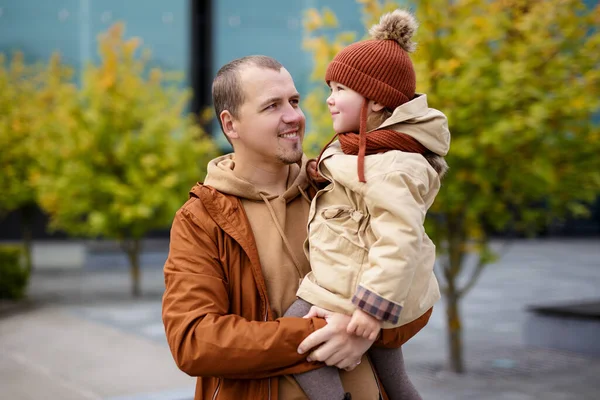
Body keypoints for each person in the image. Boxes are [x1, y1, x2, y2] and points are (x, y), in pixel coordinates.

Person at [161, 54, 431, 400]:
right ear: (231, 125)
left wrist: (367, 330)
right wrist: (320, 332)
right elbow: (195, 341)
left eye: (294, 101)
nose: (294, 116)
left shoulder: (341, 184)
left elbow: (415, 288)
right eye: (272, 106)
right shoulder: (201, 219)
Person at [284, 9, 451, 400]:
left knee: (299, 339)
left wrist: (370, 311)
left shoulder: (391, 164)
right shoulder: (373, 152)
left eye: (341, 89)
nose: (329, 99)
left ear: (375, 101)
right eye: (330, 88)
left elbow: (400, 236)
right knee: (393, 379)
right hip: (380, 290)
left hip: (362, 293)